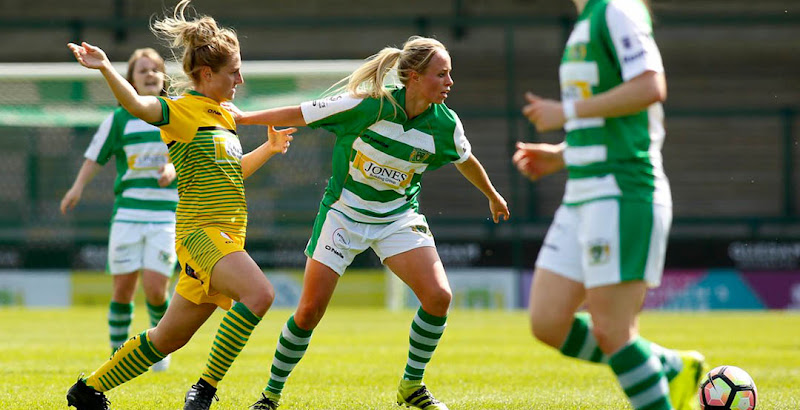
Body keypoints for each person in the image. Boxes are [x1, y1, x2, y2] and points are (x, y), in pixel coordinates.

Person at [224, 36, 509, 410]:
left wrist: (492, 194)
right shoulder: (367, 106)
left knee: (439, 297)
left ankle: (412, 386)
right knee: (308, 312)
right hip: (343, 216)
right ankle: (270, 395)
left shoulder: (445, 124)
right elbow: (301, 113)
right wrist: (243, 117)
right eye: (441, 74)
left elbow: (465, 158)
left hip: (397, 218)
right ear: (413, 76)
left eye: (449, 74)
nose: (449, 82)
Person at [64, 1, 294, 409]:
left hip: (223, 236)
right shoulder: (182, 110)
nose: (240, 78)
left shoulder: (224, 116)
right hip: (201, 235)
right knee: (260, 294)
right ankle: (204, 390)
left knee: (167, 338)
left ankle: (88, 390)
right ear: (207, 74)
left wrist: (270, 149)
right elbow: (137, 105)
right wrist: (105, 67)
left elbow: (232, 172)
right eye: (234, 71)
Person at [513, 1, 707, 409]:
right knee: (548, 322)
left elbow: (650, 87)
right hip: (581, 194)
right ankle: (670, 367)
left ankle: (660, 376)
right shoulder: (587, 19)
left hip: (621, 190)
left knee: (613, 332)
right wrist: (562, 154)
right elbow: (610, 121)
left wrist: (565, 111)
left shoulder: (617, 9)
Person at [60, 47, 177, 373]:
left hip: (165, 216)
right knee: (123, 290)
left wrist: (173, 169)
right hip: (127, 214)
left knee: (156, 290)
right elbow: (96, 156)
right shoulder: (120, 118)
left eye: (155, 68)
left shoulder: (176, 112)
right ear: (131, 80)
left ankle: (160, 350)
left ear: (164, 77)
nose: (150, 74)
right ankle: (117, 358)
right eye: (142, 70)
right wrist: (77, 187)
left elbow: (192, 150)